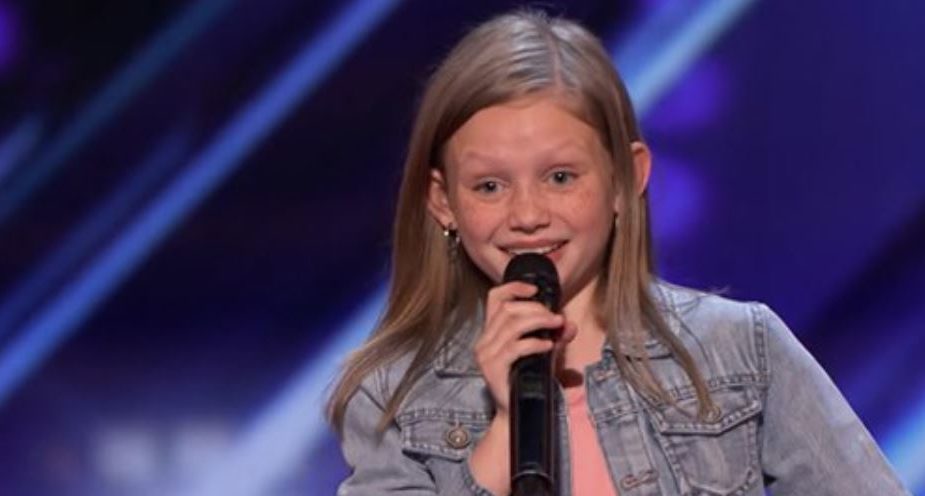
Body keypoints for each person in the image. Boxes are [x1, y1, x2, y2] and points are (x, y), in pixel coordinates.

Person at [327, 9, 909, 496]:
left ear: (625, 179)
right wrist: (505, 424)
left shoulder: (741, 351)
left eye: (559, 177)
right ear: (443, 201)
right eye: (489, 186)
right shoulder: (391, 396)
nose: (527, 214)